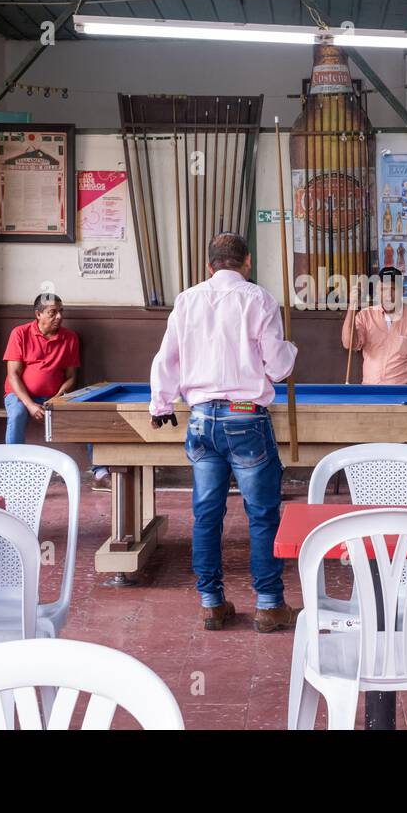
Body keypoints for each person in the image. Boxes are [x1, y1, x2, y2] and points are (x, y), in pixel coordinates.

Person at [149, 233, 299, 633]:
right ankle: (269, 606)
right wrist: (290, 349)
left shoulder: (187, 299)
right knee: (262, 515)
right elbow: (279, 368)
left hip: (201, 421)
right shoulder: (260, 299)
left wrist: (161, 404)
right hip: (246, 418)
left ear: (209, 265)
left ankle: (211, 604)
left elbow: (168, 358)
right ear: (246, 262)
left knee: (206, 514)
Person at [1, 293, 109, 485]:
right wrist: (30, 405)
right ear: (38, 314)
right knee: (17, 414)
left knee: (90, 413)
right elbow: (13, 375)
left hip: (53, 398)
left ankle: (100, 472)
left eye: (61, 312)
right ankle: (14, 472)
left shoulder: (70, 338)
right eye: (52, 312)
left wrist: (58, 397)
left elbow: (70, 378)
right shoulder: (20, 333)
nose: (59, 316)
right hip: (19, 395)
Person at [341, 266, 407, 384]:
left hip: (404, 391)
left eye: (393, 289)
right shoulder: (365, 316)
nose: (388, 295)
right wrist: (352, 306)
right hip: (371, 390)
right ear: (378, 291)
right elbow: (349, 343)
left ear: (402, 291)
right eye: (383, 289)